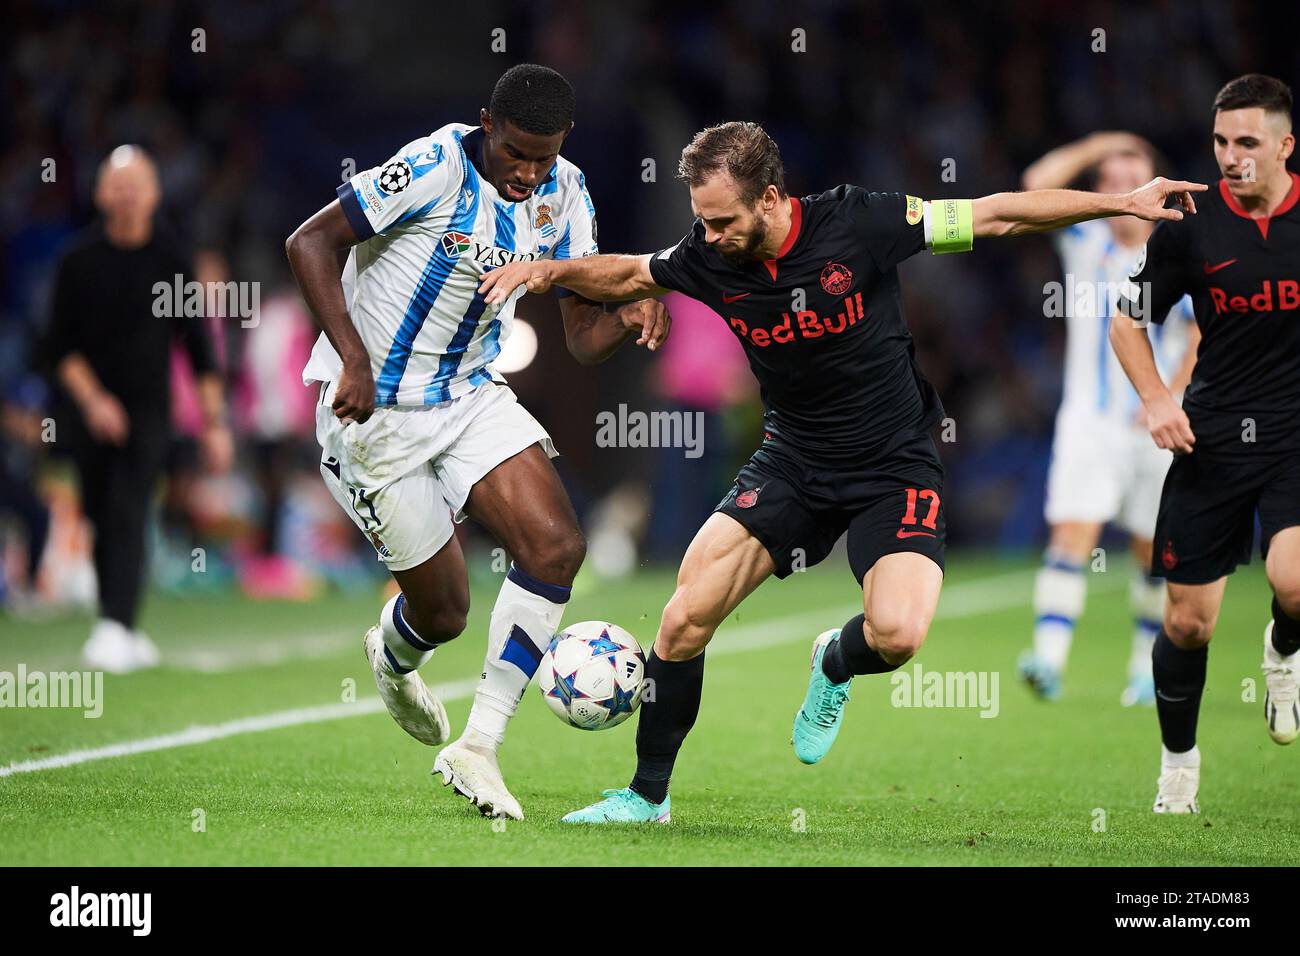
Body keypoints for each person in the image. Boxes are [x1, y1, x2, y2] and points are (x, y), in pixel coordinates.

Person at [480, 120, 1205, 823]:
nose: (709, 236)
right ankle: (645, 798)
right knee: (682, 618)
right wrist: (550, 272)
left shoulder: (861, 222)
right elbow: (633, 271)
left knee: (897, 635)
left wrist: (1124, 201)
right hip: (793, 458)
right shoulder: (709, 254)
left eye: (723, 219)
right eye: (700, 221)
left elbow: (996, 217)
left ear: (770, 198)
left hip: (894, 463)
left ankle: (834, 662)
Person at [285, 64, 669, 820]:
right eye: (516, 152)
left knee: (557, 546)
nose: (529, 172)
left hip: (467, 394)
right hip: (374, 412)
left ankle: (478, 747)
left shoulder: (567, 193)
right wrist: (353, 360)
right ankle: (396, 660)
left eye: (544, 156)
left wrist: (624, 317)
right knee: (445, 614)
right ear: (486, 125)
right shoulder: (431, 166)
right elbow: (308, 243)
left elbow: (582, 335)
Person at [1110, 74, 1300, 814]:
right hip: (1212, 436)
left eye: (1247, 142)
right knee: (1188, 623)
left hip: (1293, 435)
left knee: (1294, 583)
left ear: (1286, 145)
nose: (1230, 156)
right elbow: (1128, 321)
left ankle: (1284, 651)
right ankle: (1179, 766)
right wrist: (1158, 398)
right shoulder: (1189, 225)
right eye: (1221, 141)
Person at [1016, 132, 1200, 705]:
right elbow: (1034, 187)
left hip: (1155, 424)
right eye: (1110, 180)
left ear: (1156, 186)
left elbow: (1197, 331)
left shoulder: (1177, 248)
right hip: (1089, 423)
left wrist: (1168, 396)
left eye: (1134, 176)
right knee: (1072, 535)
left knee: (1150, 550)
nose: (1123, 186)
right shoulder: (1084, 238)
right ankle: (1047, 660)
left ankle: (1144, 669)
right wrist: (1106, 142)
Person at [44, 145, 232, 673]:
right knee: (100, 512)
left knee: (130, 507)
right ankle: (117, 623)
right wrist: (95, 401)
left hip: (150, 411)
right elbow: (57, 346)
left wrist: (215, 425)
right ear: (102, 193)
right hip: (86, 411)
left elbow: (199, 349)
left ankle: (116, 626)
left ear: (153, 194)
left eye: (137, 186)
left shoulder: (171, 261)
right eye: (117, 186)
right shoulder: (76, 262)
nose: (127, 196)